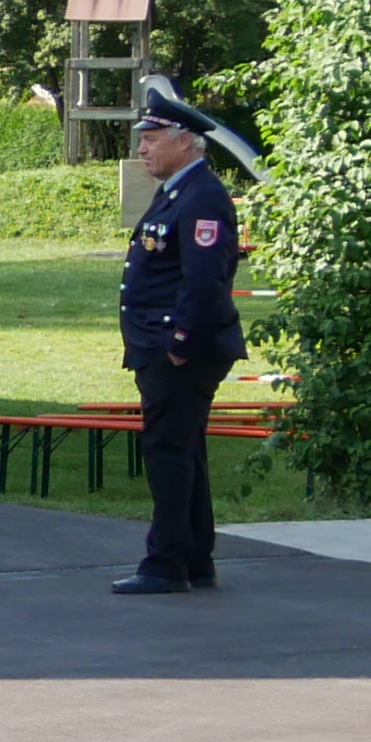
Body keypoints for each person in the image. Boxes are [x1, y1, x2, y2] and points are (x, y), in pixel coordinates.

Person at [114, 83, 246, 595]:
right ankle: (194, 557)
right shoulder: (180, 191)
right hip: (163, 344)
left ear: (184, 140)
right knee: (184, 449)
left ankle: (165, 564)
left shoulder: (202, 195)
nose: (142, 148)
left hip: (180, 348)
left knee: (168, 451)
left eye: (151, 138)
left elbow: (205, 278)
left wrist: (180, 342)